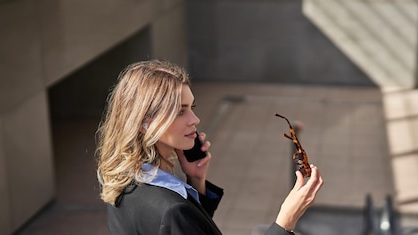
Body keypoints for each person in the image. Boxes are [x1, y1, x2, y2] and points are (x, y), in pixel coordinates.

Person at [96, 60, 324, 235]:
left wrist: (196, 181)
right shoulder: (172, 210)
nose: (194, 119)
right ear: (145, 122)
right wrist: (286, 221)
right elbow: (179, 221)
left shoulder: (122, 181)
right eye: (180, 111)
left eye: (191, 107)